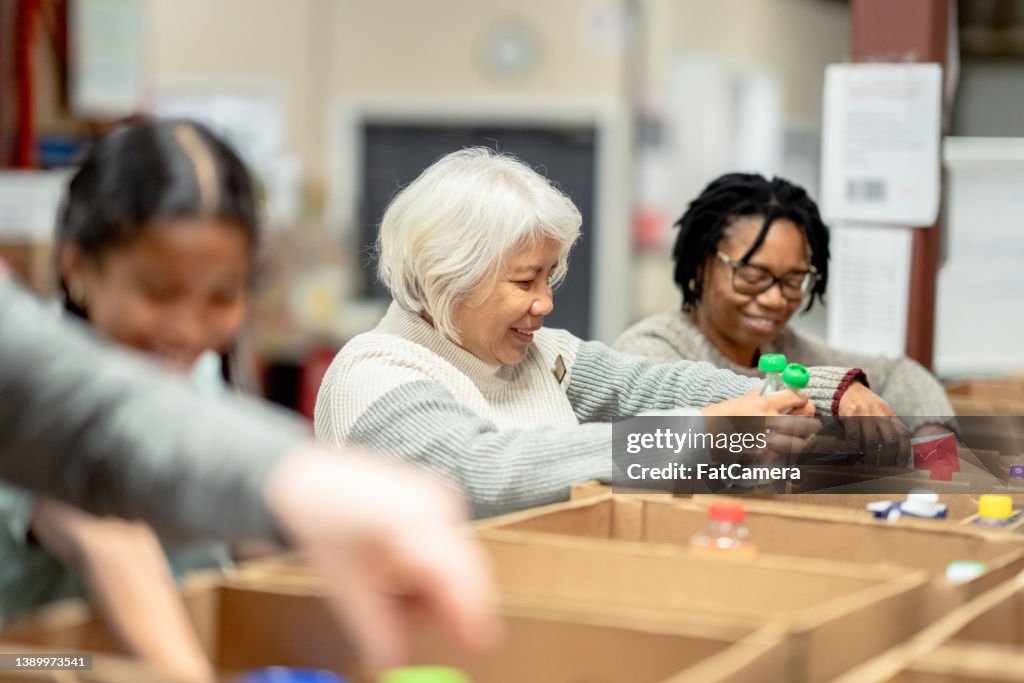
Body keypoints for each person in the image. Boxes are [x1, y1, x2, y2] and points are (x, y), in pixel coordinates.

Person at [314, 149, 904, 519]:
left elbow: (657, 386)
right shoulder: (375, 376)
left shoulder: (542, 355)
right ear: (449, 278)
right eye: (524, 281)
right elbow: (483, 474)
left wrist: (808, 394)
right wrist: (697, 434)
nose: (545, 302)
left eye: (549, 276)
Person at [0, 270, 495, 675]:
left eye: (220, 297)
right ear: (82, 266)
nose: (188, 328)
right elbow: (111, 540)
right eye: (157, 287)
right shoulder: (45, 386)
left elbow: (230, 533)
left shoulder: (195, 375)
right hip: (50, 651)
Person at [613, 173, 953, 439]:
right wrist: (829, 393)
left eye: (794, 280)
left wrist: (933, 443)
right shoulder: (648, 349)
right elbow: (704, 415)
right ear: (702, 265)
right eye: (752, 275)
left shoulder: (784, 348)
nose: (775, 299)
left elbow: (900, 375)